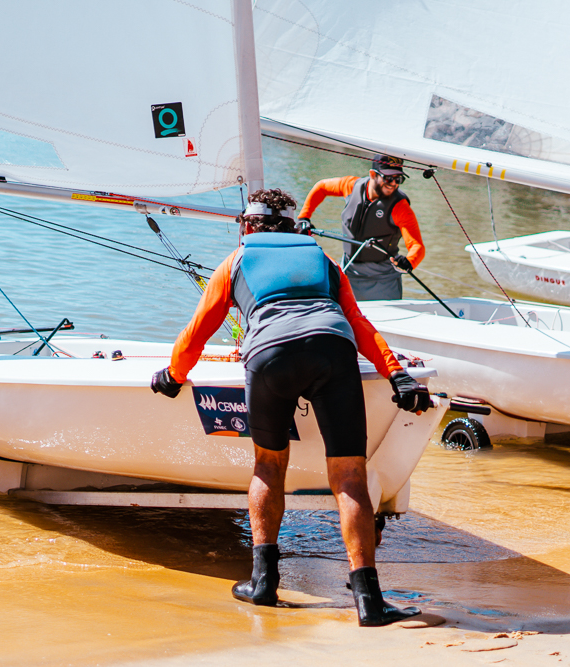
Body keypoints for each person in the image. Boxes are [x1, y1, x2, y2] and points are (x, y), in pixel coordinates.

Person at [150, 188, 431, 627]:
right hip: (332, 350)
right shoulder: (324, 261)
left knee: (267, 467)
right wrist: (397, 374)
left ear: (247, 226)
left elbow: (198, 330)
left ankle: (263, 583)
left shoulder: (236, 261)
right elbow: (359, 325)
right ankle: (369, 602)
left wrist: (174, 375)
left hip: (270, 357)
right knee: (350, 476)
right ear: (294, 225)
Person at [297, 155, 425, 301]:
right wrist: (304, 218)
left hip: (382, 281)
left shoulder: (401, 207)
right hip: (348, 272)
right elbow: (321, 187)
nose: (394, 184)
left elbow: (417, 246)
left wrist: (409, 261)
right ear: (373, 175)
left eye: (399, 179)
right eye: (388, 178)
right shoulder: (351, 186)